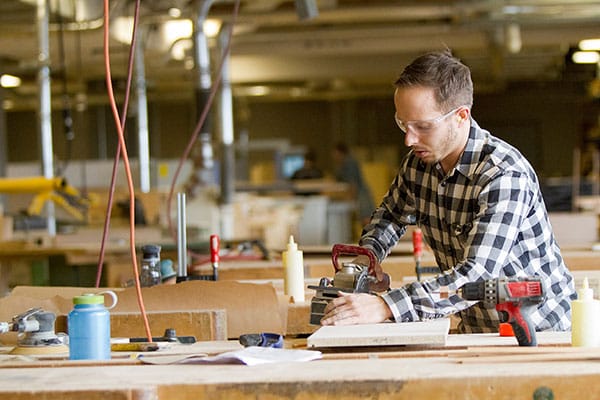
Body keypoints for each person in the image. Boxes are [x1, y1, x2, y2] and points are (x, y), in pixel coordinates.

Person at [321, 49, 576, 333]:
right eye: (403, 124)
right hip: (476, 327)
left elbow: (476, 275)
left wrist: (385, 306)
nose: (409, 139)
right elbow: (389, 217)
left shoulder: (503, 175)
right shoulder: (419, 165)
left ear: (461, 116)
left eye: (423, 126)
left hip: (538, 333)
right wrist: (366, 261)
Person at [332, 142, 376, 226]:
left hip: (361, 194)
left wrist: (350, 198)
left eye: (335, 154)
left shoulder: (349, 163)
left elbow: (353, 183)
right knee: (365, 219)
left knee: (366, 219)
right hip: (359, 194)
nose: (334, 157)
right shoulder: (344, 164)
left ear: (340, 153)